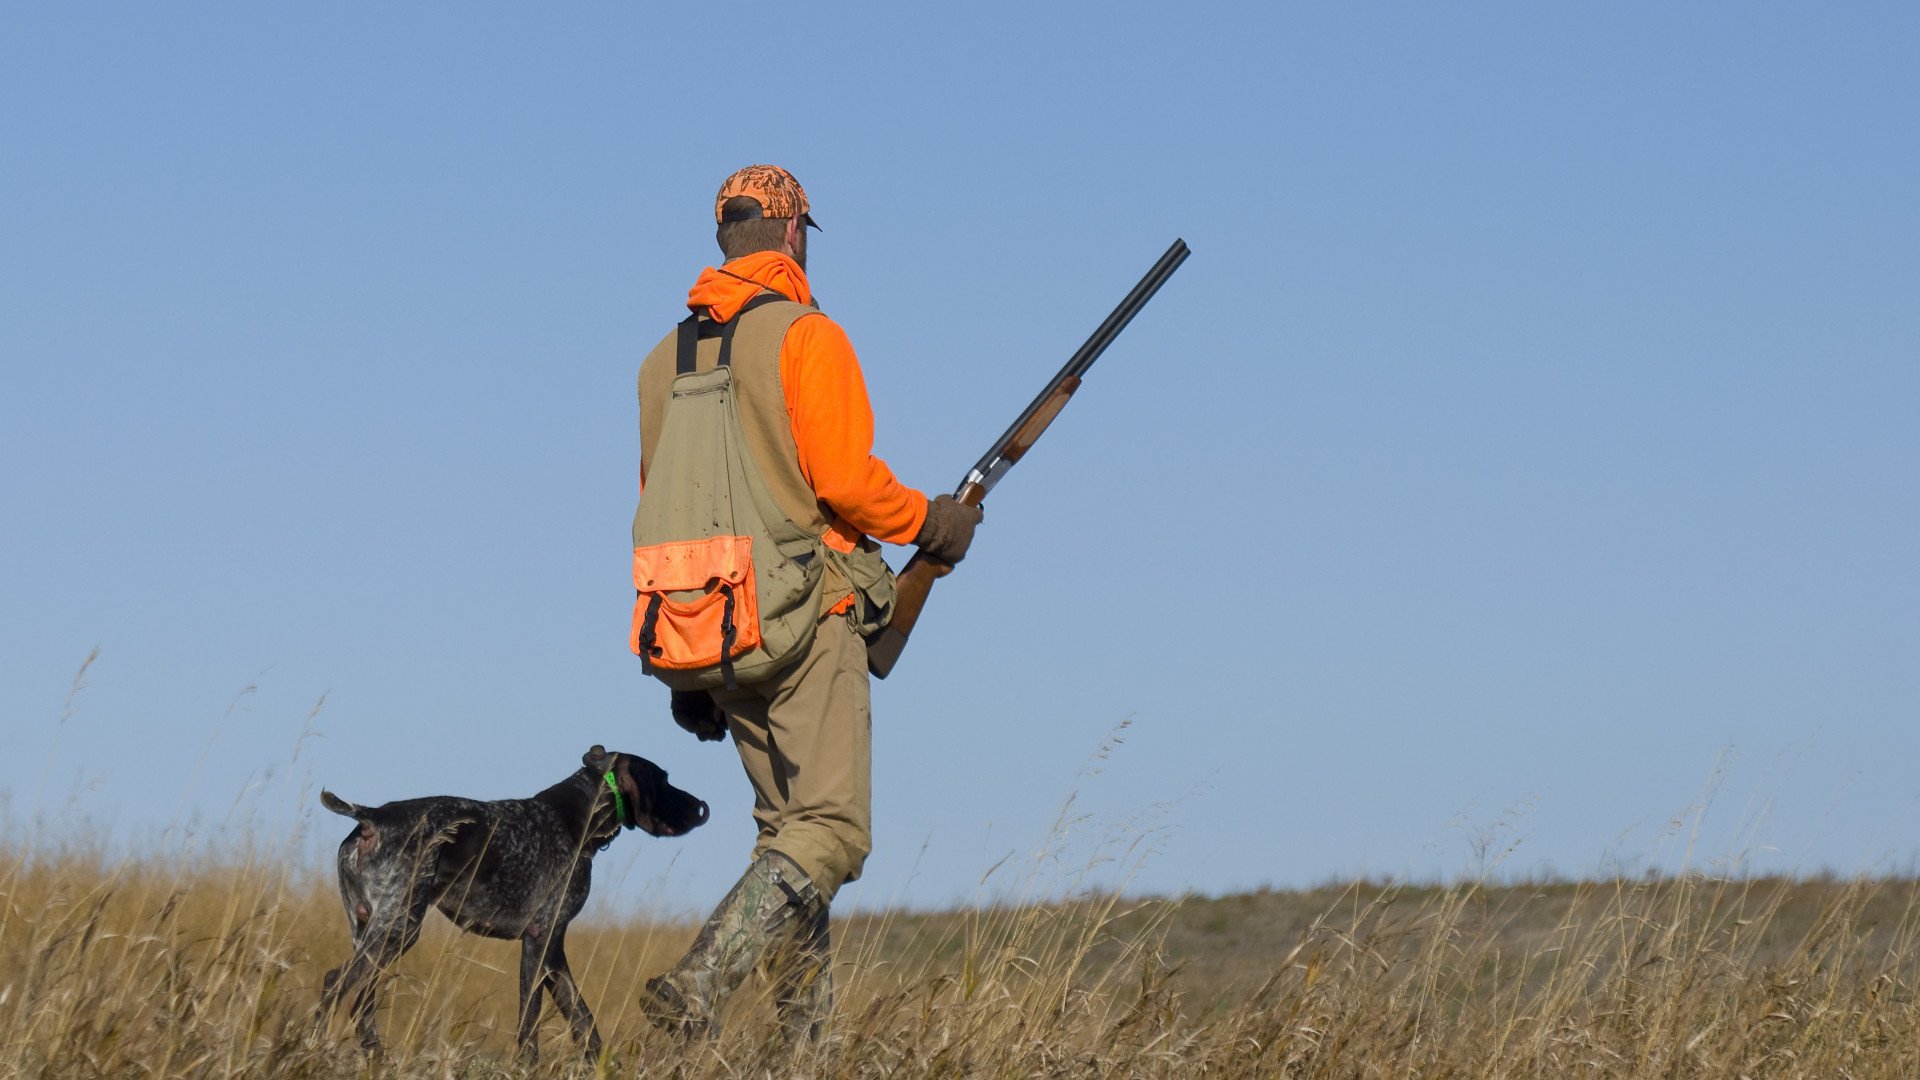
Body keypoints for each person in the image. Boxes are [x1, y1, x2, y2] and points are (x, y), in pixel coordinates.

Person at [632, 164, 981, 1040]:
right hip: (807, 620)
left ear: (725, 239)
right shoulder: (806, 336)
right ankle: (703, 980)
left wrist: (689, 676)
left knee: (787, 835)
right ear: (793, 236)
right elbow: (849, 485)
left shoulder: (659, 362)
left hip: (709, 634)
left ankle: (802, 1045)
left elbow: (657, 504)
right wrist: (929, 526)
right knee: (831, 830)